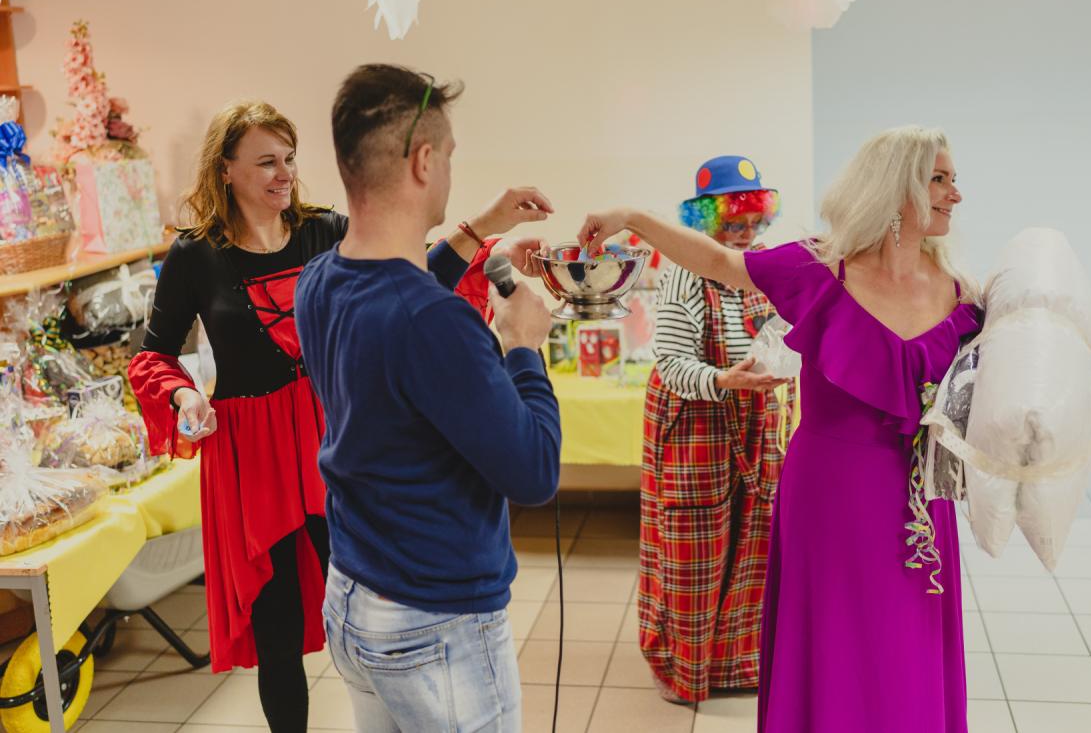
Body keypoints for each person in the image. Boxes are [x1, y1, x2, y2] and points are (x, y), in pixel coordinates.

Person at [128, 99, 548, 731]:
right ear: (225, 169)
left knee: (365, 600)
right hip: (251, 456)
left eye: (289, 158)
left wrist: (492, 225)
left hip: (331, 436)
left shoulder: (324, 231)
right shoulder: (196, 254)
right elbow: (152, 354)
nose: (284, 174)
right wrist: (185, 395)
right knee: (276, 629)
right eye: (266, 162)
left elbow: (412, 274)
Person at [579, 127, 978, 731]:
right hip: (829, 492)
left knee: (907, 642)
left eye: (952, 179)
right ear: (898, 190)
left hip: (918, 501)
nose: (955, 194)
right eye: (939, 180)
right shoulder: (818, 267)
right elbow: (720, 263)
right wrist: (633, 217)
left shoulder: (961, 292)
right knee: (833, 638)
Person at [295, 64, 561, 732]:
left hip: (354, 595)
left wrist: (485, 225)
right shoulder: (435, 322)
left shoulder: (321, 278)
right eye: (447, 155)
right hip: (434, 623)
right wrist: (524, 345)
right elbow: (534, 472)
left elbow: (402, 289)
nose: (446, 169)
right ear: (422, 161)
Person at [640, 155, 791, 705]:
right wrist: (725, 380)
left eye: (754, 222)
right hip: (694, 429)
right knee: (693, 553)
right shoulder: (684, 272)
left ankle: (737, 664)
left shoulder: (761, 267)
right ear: (706, 221)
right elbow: (671, 365)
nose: (745, 235)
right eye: (733, 224)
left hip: (752, 425)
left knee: (754, 542)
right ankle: (684, 671)